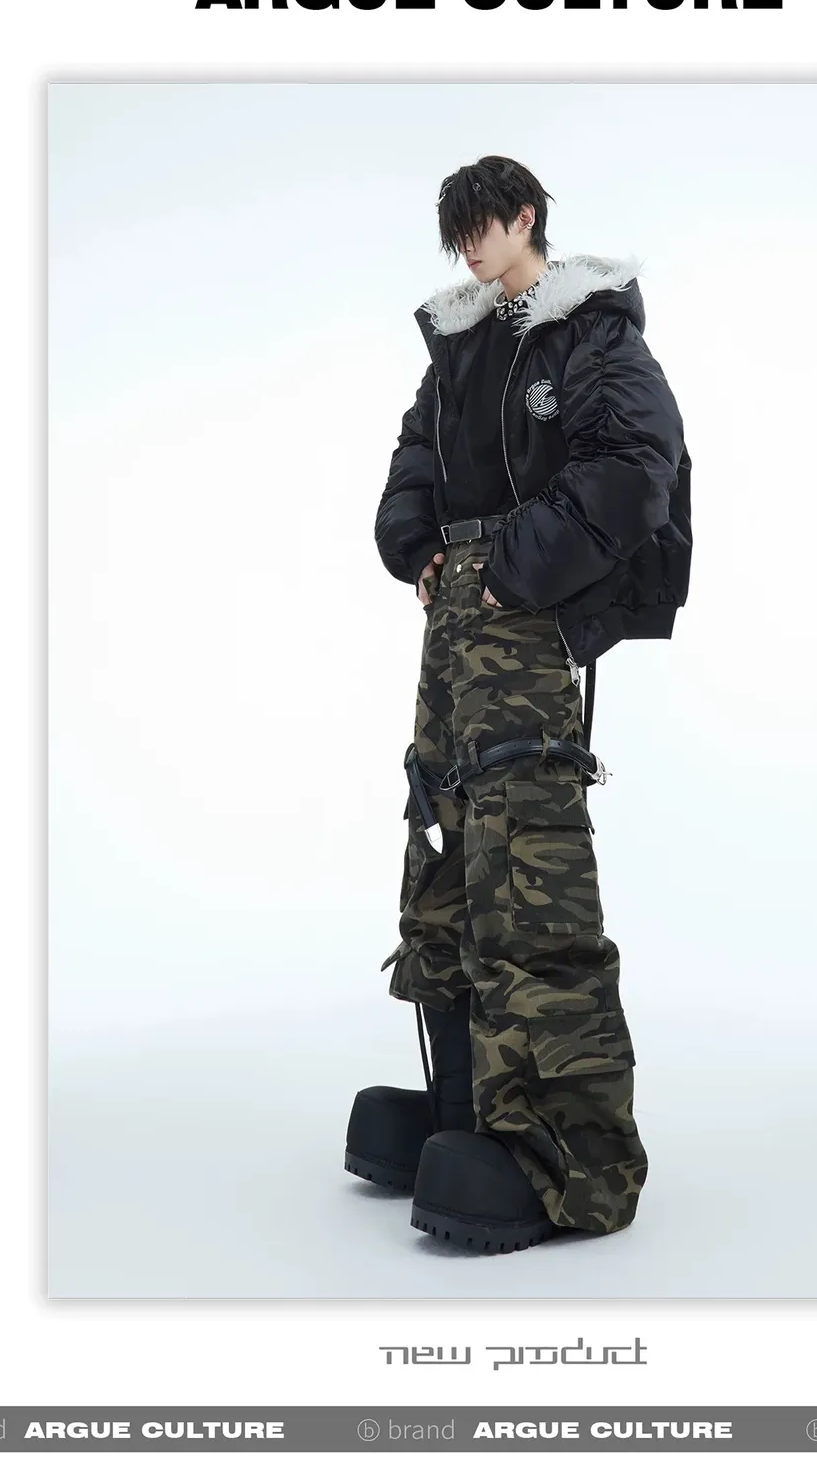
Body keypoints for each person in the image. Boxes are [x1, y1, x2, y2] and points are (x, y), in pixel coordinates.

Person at [345, 154, 691, 1252]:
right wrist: (418, 545)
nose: (470, 249)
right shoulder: (460, 347)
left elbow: (636, 463)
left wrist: (515, 566)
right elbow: (415, 458)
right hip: (456, 617)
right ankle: (467, 1112)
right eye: (458, 235)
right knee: (444, 841)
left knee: (525, 857)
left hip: (528, 618)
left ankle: (566, 1158)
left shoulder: (587, 334)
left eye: (483, 227)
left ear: (526, 216)